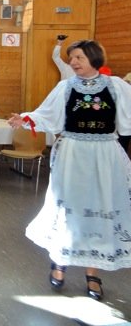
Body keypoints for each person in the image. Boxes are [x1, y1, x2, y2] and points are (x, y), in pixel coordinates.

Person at [8, 39, 131, 301]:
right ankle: (59, 262)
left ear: (94, 58)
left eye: (79, 58)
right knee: (67, 209)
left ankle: (93, 273)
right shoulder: (65, 87)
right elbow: (46, 114)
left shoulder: (116, 86)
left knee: (101, 209)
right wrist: (26, 118)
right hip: (73, 154)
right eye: (72, 57)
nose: (73, 62)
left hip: (105, 156)